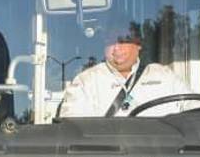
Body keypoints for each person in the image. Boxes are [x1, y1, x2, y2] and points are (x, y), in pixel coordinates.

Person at [58, 20, 191, 118]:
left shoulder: (164, 76)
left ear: (138, 43)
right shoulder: (86, 81)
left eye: (123, 40)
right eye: (110, 42)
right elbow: (73, 128)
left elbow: (195, 110)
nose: (116, 48)